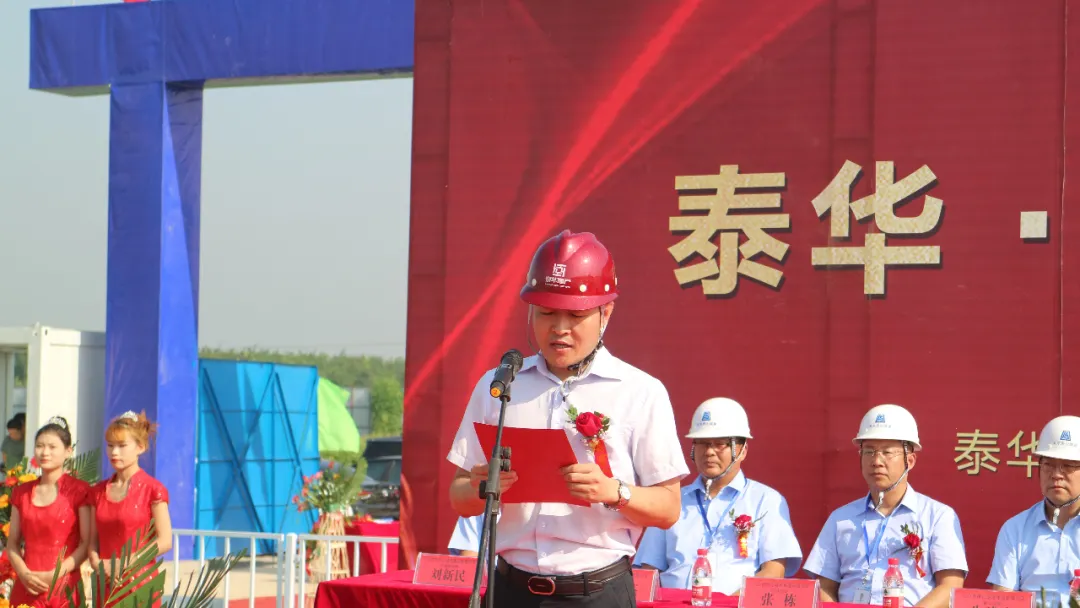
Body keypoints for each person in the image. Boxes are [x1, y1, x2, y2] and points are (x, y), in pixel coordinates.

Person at [447, 230, 689, 607]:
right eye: (545, 313)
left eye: (575, 315)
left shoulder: (640, 391)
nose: (559, 328)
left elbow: (669, 508)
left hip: (597, 592)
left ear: (605, 313)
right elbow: (459, 496)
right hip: (510, 590)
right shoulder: (500, 386)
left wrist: (614, 492)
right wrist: (482, 485)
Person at [804, 404, 967, 608]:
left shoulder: (937, 516)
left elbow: (951, 586)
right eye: (869, 451)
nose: (877, 461)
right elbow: (824, 586)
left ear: (910, 460)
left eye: (887, 453)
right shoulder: (840, 519)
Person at [634, 398, 801, 594]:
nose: (710, 452)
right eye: (703, 443)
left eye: (720, 444)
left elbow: (773, 573)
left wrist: (728, 604)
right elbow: (648, 570)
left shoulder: (765, 500)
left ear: (742, 451)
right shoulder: (672, 500)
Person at [988, 415, 1080, 606]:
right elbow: (1002, 599)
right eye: (1048, 465)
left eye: (1068, 466)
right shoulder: (1016, 529)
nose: (1056, 474)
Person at [88, 411, 172, 607]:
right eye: (110, 446)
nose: (114, 452)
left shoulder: (153, 489)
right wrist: (98, 563)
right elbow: (92, 542)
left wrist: (126, 562)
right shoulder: (97, 492)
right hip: (105, 581)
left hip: (140, 580)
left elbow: (165, 540)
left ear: (140, 447)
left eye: (122, 446)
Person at [6, 416, 91, 607]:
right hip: (27, 586)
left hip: (64, 587)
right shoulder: (21, 493)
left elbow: (86, 543)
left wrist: (56, 573)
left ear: (68, 451)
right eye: (40, 446)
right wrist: (23, 573)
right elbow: (12, 543)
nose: (45, 452)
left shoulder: (80, 491)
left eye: (52, 447)